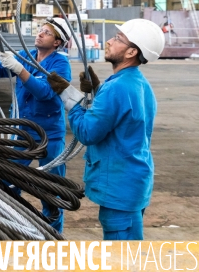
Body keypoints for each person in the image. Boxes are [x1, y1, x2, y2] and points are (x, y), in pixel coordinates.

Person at [47, 18, 165, 240]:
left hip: (120, 186)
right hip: (132, 181)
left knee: (123, 257)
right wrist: (97, 91)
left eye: (118, 39)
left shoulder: (117, 88)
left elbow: (87, 132)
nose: (109, 41)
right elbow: (119, 117)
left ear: (131, 52)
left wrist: (68, 96)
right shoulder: (137, 83)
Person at [0, 16, 72, 232]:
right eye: (40, 30)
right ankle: (12, 227)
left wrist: (20, 70)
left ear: (57, 42)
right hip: (22, 132)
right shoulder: (26, 56)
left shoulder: (60, 63)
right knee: (9, 181)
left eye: (47, 32)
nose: (40, 34)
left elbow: (46, 93)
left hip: (48, 135)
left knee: (52, 189)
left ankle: (52, 236)